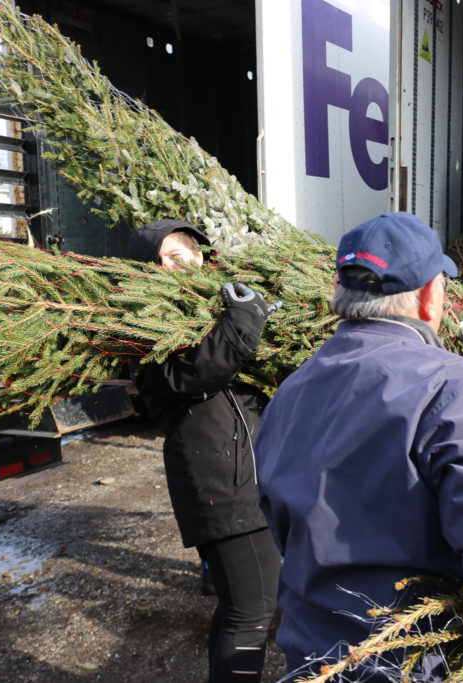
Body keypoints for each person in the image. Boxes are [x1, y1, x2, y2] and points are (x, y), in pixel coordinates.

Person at [253, 212, 463, 681]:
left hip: (313, 657)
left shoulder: (292, 389)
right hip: (414, 661)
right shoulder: (456, 389)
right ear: (427, 297)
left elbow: (280, 522)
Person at [126, 220, 281, 683]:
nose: (189, 263)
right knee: (252, 612)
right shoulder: (141, 326)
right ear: (148, 268)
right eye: (173, 256)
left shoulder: (208, 318)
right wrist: (242, 324)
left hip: (247, 479)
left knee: (240, 608)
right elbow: (183, 377)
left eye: (193, 253)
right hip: (221, 487)